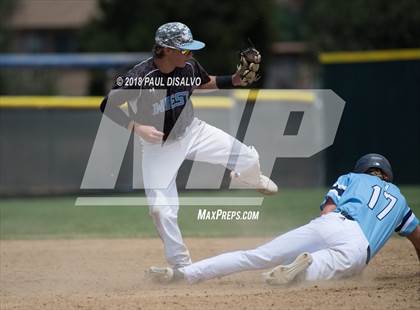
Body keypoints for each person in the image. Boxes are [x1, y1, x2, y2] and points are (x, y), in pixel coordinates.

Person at [100, 22, 278, 270]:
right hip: (159, 147)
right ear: (165, 49)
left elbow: (203, 82)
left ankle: (250, 178)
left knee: (247, 159)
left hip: (193, 131)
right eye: (184, 49)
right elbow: (106, 104)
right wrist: (135, 127)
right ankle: (182, 266)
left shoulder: (189, 66)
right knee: (161, 210)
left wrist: (235, 80)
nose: (190, 53)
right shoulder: (140, 76)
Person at [149, 153, 420, 285]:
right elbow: (416, 235)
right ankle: (302, 268)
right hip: (358, 244)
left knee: (255, 255)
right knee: (325, 272)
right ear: (386, 175)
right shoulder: (399, 199)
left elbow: (327, 210)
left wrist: (322, 235)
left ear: (363, 170)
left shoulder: (350, 178)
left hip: (331, 222)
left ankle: (183, 273)